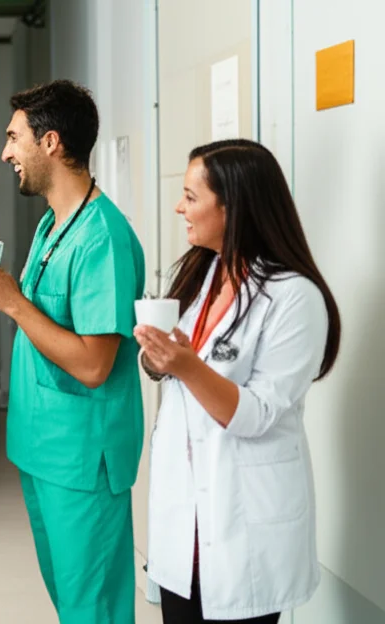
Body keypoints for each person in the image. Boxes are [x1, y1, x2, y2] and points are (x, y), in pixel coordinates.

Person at [136, 139, 341, 624]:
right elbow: (180, 373)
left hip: (243, 529)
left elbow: (258, 415)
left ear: (233, 207)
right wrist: (160, 359)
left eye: (191, 196)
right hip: (182, 524)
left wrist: (186, 365)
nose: (179, 207)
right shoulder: (201, 275)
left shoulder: (294, 297)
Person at [0, 80, 145, 623]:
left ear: (50, 142)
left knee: (93, 610)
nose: (6, 153)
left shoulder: (102, 237)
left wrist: (12, 302)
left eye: (14, 137)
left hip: (82, 459)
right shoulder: (52, 223)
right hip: (43, 449)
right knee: (71, 604)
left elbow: (94, 364)